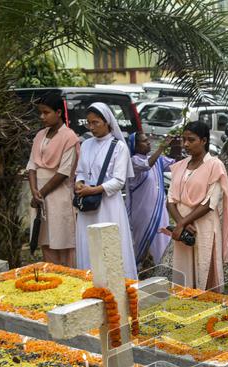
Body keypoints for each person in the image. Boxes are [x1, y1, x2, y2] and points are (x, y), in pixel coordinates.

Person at [166, 121, 228, 290]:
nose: (186, 144)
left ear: (204, 141)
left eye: (191, 140)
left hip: (202, 225)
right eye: (184, 140)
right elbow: (170, 200)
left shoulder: (215, 165)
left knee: (204, 266)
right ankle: (185, 306)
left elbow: (209, 203)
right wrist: (182, 222)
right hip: (183, 228)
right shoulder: (181, 165)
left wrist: (181, 224)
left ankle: (207, 306)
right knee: (184, 268)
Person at [73, 102, 134, 276]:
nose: (91, 127)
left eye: (96, 123)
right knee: (88, 243)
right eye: (89, 123)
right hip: (88, 206)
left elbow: (118, 181)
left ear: (107, 122)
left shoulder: (119, 147)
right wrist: (80, 183)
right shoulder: (86, 145)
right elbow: (81, 172)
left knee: (109, 246)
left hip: (108, 205)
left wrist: (93, 190)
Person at [27, 93, 80, 267]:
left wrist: (40, 193)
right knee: (46, 240)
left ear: (58, 112)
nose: (42, 117)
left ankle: (69, 282)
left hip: (59, 195)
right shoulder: (40, 135)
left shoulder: (69, 137)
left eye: (46, 112)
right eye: (40, 113)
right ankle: (51, 279)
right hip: (39, 196)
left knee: (63, 240)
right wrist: (34, 191)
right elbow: (32, 166)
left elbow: (64, 172)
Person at [126, 132, 173, 270]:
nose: (148, 143)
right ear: (135, 146)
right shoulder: (133, 161)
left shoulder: (157, 159)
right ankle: (143, 272)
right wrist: (161, 148)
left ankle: (162, 270)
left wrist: (178, 148)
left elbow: (175, 165)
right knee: (144, 244)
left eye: (148, 140)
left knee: (162, 240)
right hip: (142, 214)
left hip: (160, 211)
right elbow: (147, 165)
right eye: (144, 141)